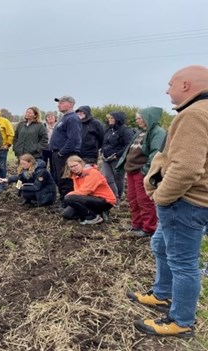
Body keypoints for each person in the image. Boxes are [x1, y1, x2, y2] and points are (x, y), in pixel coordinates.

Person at [129, 65, 208, 338]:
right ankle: (162, 293)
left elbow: (186, 168)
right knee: (160, 244)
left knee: (183, 263)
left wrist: (161, 197)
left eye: (171, 84)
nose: (167, 89)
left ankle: (181, 321)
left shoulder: (194, 114)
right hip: (187, 201)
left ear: (186, 85)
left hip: (185, 202)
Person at [116, 107, 166, 237]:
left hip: (142, 172)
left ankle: (149, 228)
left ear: (148, 118)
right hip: (132, 171)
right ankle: (136, 224)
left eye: (139, 118)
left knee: (144, 200)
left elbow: (156, 153)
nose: (137, 120)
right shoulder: (139, 133)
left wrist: (145, 170)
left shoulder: (158, 132)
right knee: (132, 199)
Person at [61, 156, 116, 224]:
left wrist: (68, 196)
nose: (73, 168)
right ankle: (97, 212)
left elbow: (85, 191)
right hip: (90, 199)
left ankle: (93, 217)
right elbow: (77, 191)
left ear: (81, 163)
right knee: (67, 214)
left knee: (69, 198)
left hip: (105, 201)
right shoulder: (76, 175)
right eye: (71, 167)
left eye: (75, 165)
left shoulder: (92, 173)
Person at [49, 96, 82, 201]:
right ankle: (63, 200)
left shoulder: (72, 118)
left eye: (62, 102)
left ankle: (68, 202)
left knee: (66, 179)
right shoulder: (64, 118)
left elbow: (73, 139)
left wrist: (62, 153)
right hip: (58, 154)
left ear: (71, 104)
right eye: (59, 103)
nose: (59, 105)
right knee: (60, 179)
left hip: (65, 155)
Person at [101, 111, 134, 205]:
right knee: (107, 178)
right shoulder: (108, 130)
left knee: (118, 179)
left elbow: (128, 145)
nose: (110, 120)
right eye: (109, 118)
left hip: (118, 159)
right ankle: (113, 197)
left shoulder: (126, 131)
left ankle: (118, 198)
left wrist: (117, 154)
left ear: (118, 119)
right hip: (106, 159)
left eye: (112, 118)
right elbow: (104, 142)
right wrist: (103, 151)